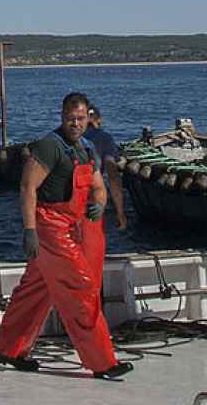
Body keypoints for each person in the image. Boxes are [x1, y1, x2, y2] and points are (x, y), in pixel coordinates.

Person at [0, 93, 129, 379]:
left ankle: (9, 349)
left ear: (88, 118)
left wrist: (100, 204)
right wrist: (30, 231)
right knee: (81, 286)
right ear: (62, 116)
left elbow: (98, 186)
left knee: (36, 289)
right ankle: (102, 361)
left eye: (80, 119)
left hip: (73, 224)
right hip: (49, 226)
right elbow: (27, 188)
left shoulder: (87, 149)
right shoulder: (48, 147)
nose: (75, 124)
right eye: (71, 119)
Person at [81, 104, 128, 301]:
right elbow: (113, 176)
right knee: (91, 266)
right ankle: (92, 316)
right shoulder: (104, 138)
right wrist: (120, 212)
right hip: (92, 211)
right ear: (98, 121)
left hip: (63, 212)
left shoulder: (63, 138)